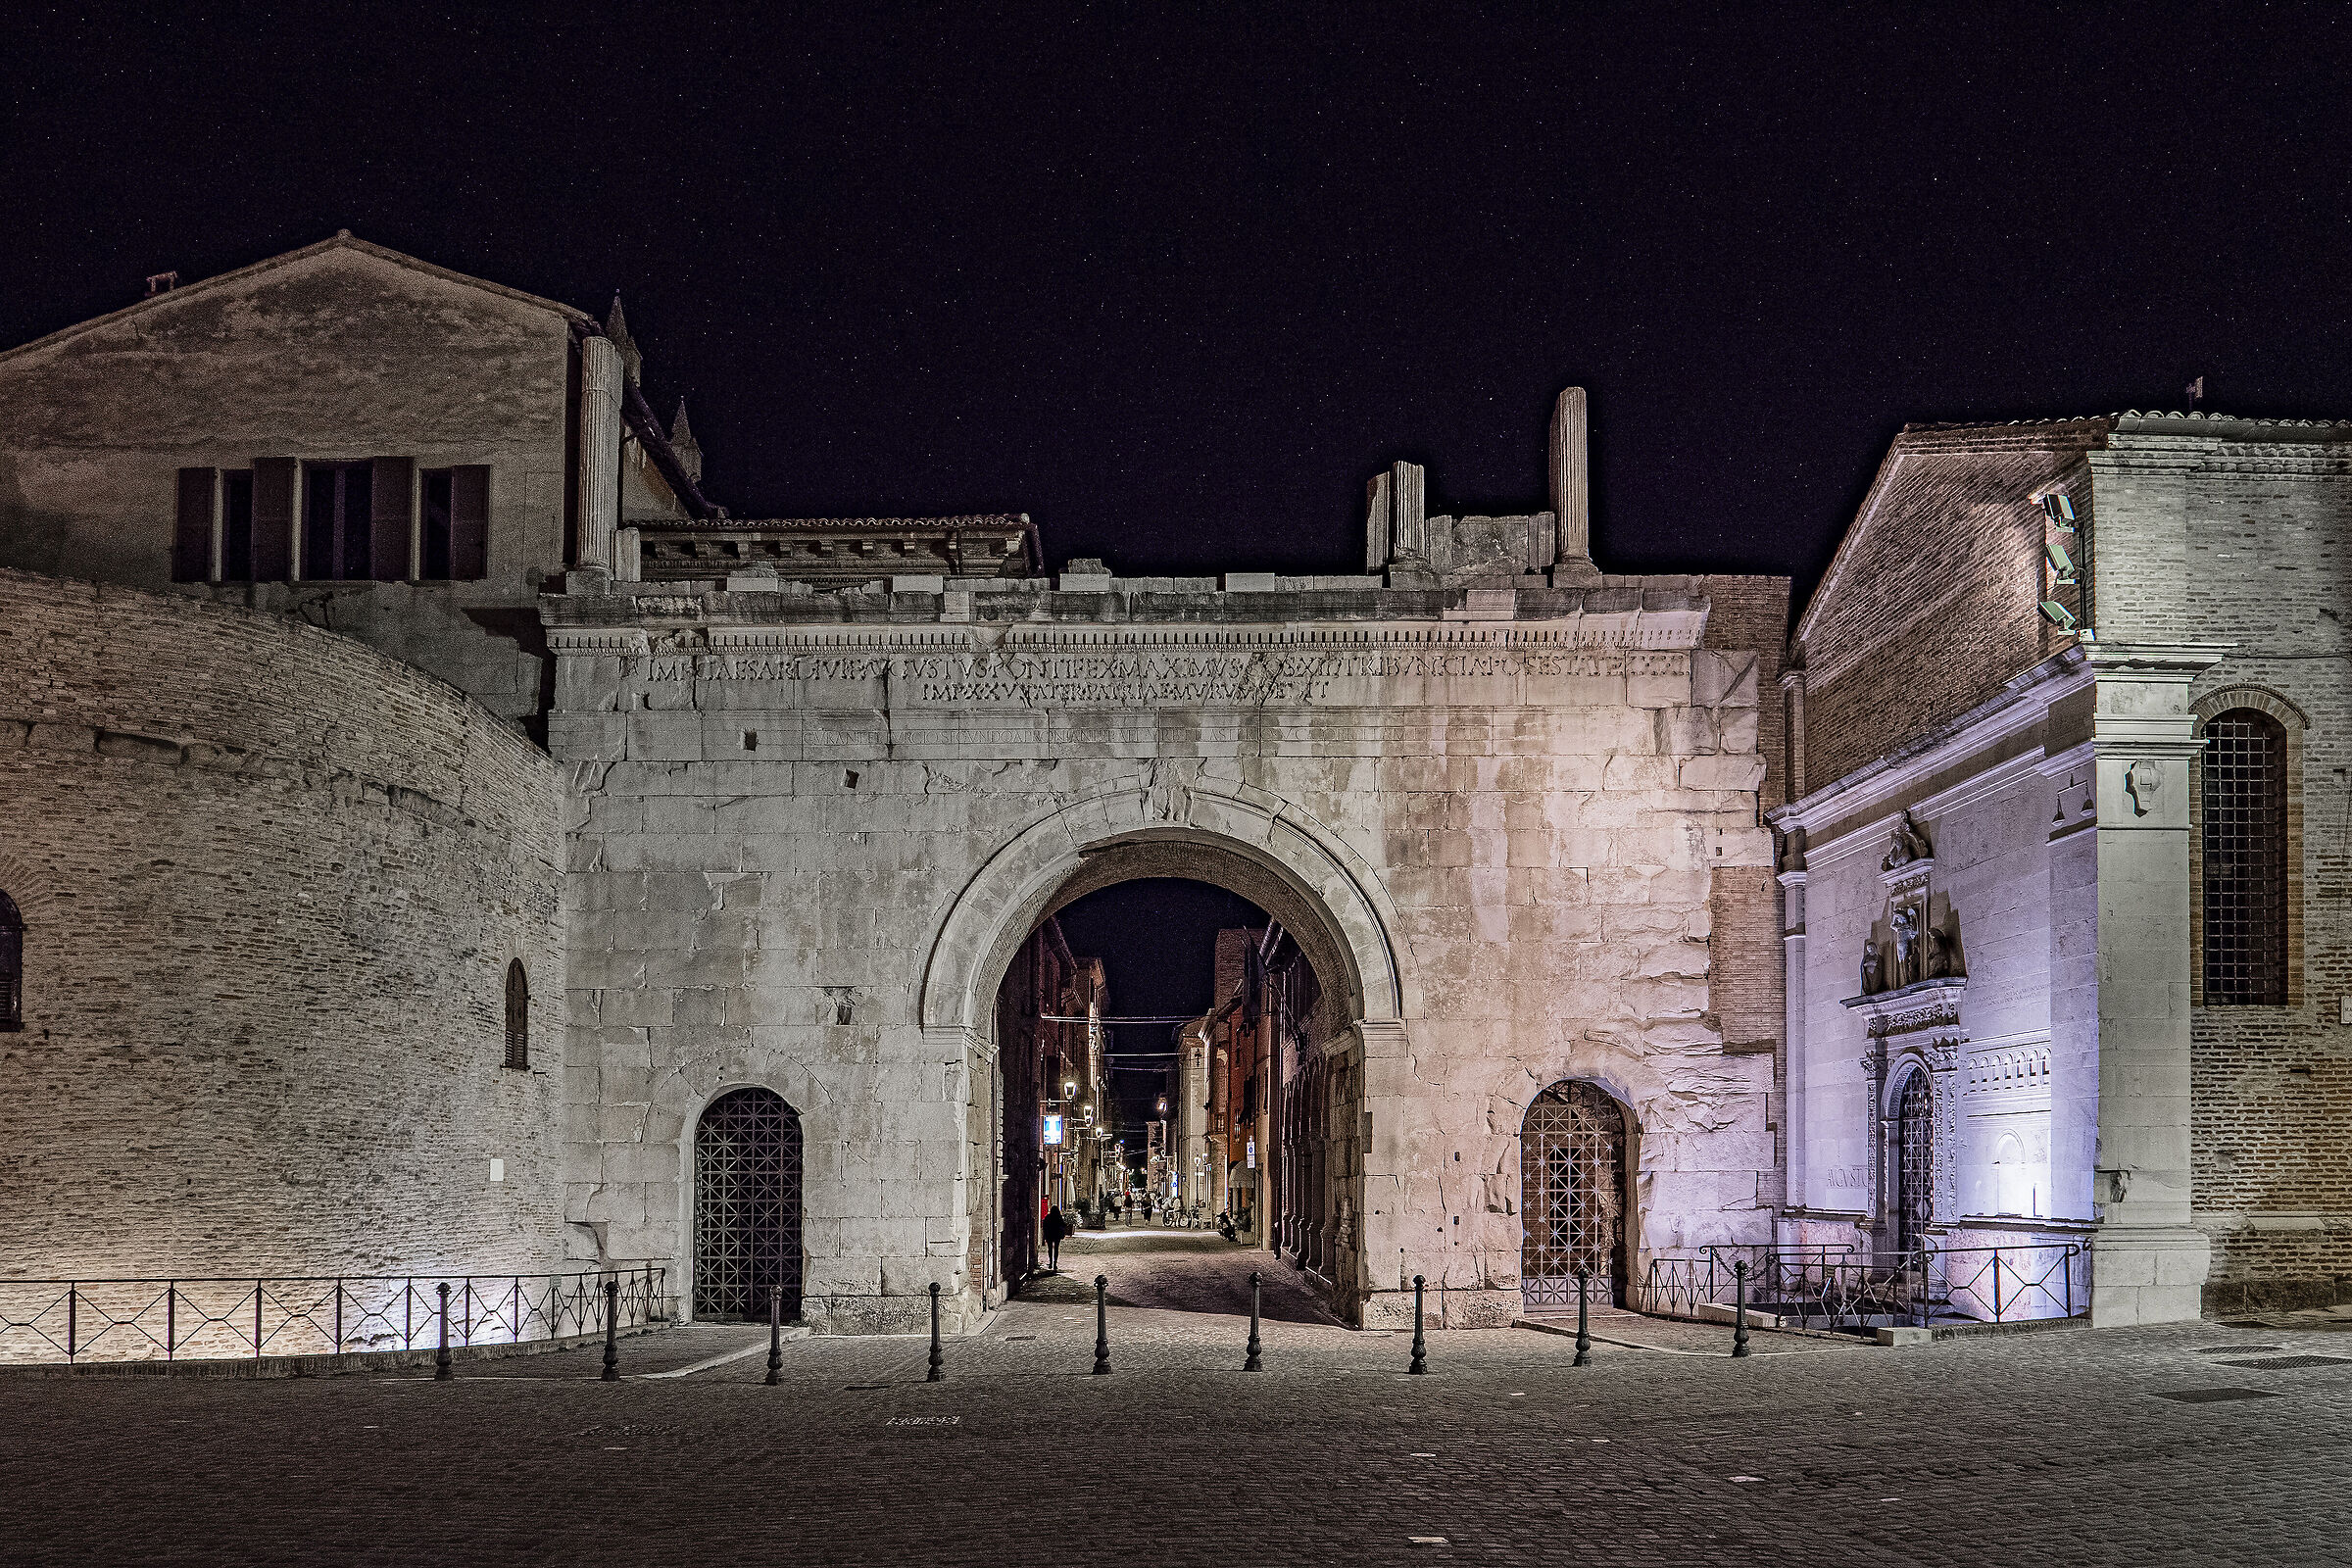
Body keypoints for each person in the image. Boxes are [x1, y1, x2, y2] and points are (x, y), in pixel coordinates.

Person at [1042, 1204, 1067, 1271]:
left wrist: (1045, 1234)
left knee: (1050, 1249)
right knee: (1056, 1249)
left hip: (1049, 1235)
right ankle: (1055, 1263)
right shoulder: (1059, 1217)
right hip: (1057, 1235)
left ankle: (1050, 1262)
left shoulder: (1048, 1217)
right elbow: (1063, 1225)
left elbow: (1044, 1225)